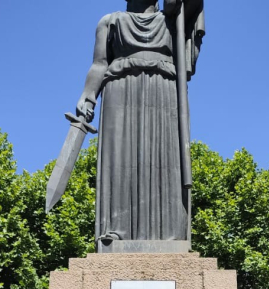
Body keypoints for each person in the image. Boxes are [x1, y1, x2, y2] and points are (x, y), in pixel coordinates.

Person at [75, 0, 205, 245]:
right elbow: (100, 63)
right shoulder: (110, 21)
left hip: (165, 90)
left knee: (166, 159)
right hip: (120, 90)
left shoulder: (173, 18)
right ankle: (115, 231)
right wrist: (88, 95)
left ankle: (170, 234)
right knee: (120, 160)